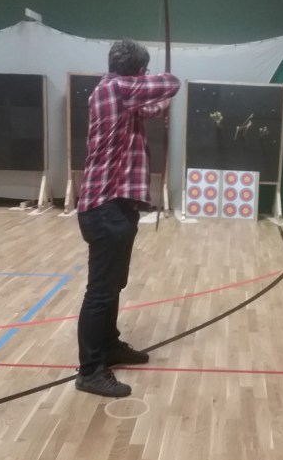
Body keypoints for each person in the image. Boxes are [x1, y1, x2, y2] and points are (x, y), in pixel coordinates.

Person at [75, 39, 180, 398]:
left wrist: (161, 104)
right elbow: (170, 84)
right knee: (100, 292)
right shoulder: (116, 89)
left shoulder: (119, 95)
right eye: (144, 72)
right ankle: (90, 370)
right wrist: (163, 83)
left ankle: (108, 346)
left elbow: (150, 107)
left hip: (116, 207)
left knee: (113, 286)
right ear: (137, 72)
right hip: (105, 207)